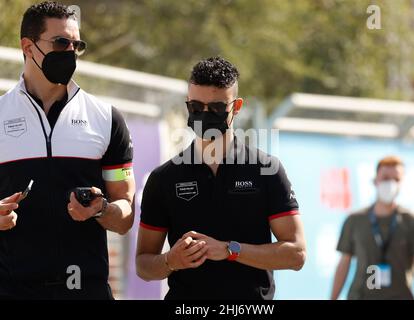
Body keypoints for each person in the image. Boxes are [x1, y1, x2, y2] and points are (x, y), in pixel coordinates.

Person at [136, 56, 306, 300]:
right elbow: (143, 264)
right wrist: (170, 261)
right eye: (195, 107)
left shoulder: (266, 169)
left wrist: (229, 250)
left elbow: (296, 254)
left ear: (236, 107)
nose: (204, 114)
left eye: (215, 108)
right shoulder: (164, 178)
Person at [0, 1, 135, 299]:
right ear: (28, 46)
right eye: (62, 43)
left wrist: (101, 209)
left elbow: (125, 216)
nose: (70, 52)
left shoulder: (105, 118)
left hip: (86, 290)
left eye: (77, 45)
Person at [331, 156, 414, 300]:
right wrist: (333, 297)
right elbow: (344, 263)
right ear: (375, 180)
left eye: (396, 180)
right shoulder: (355, 220)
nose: (390, 183)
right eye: (385, 178)